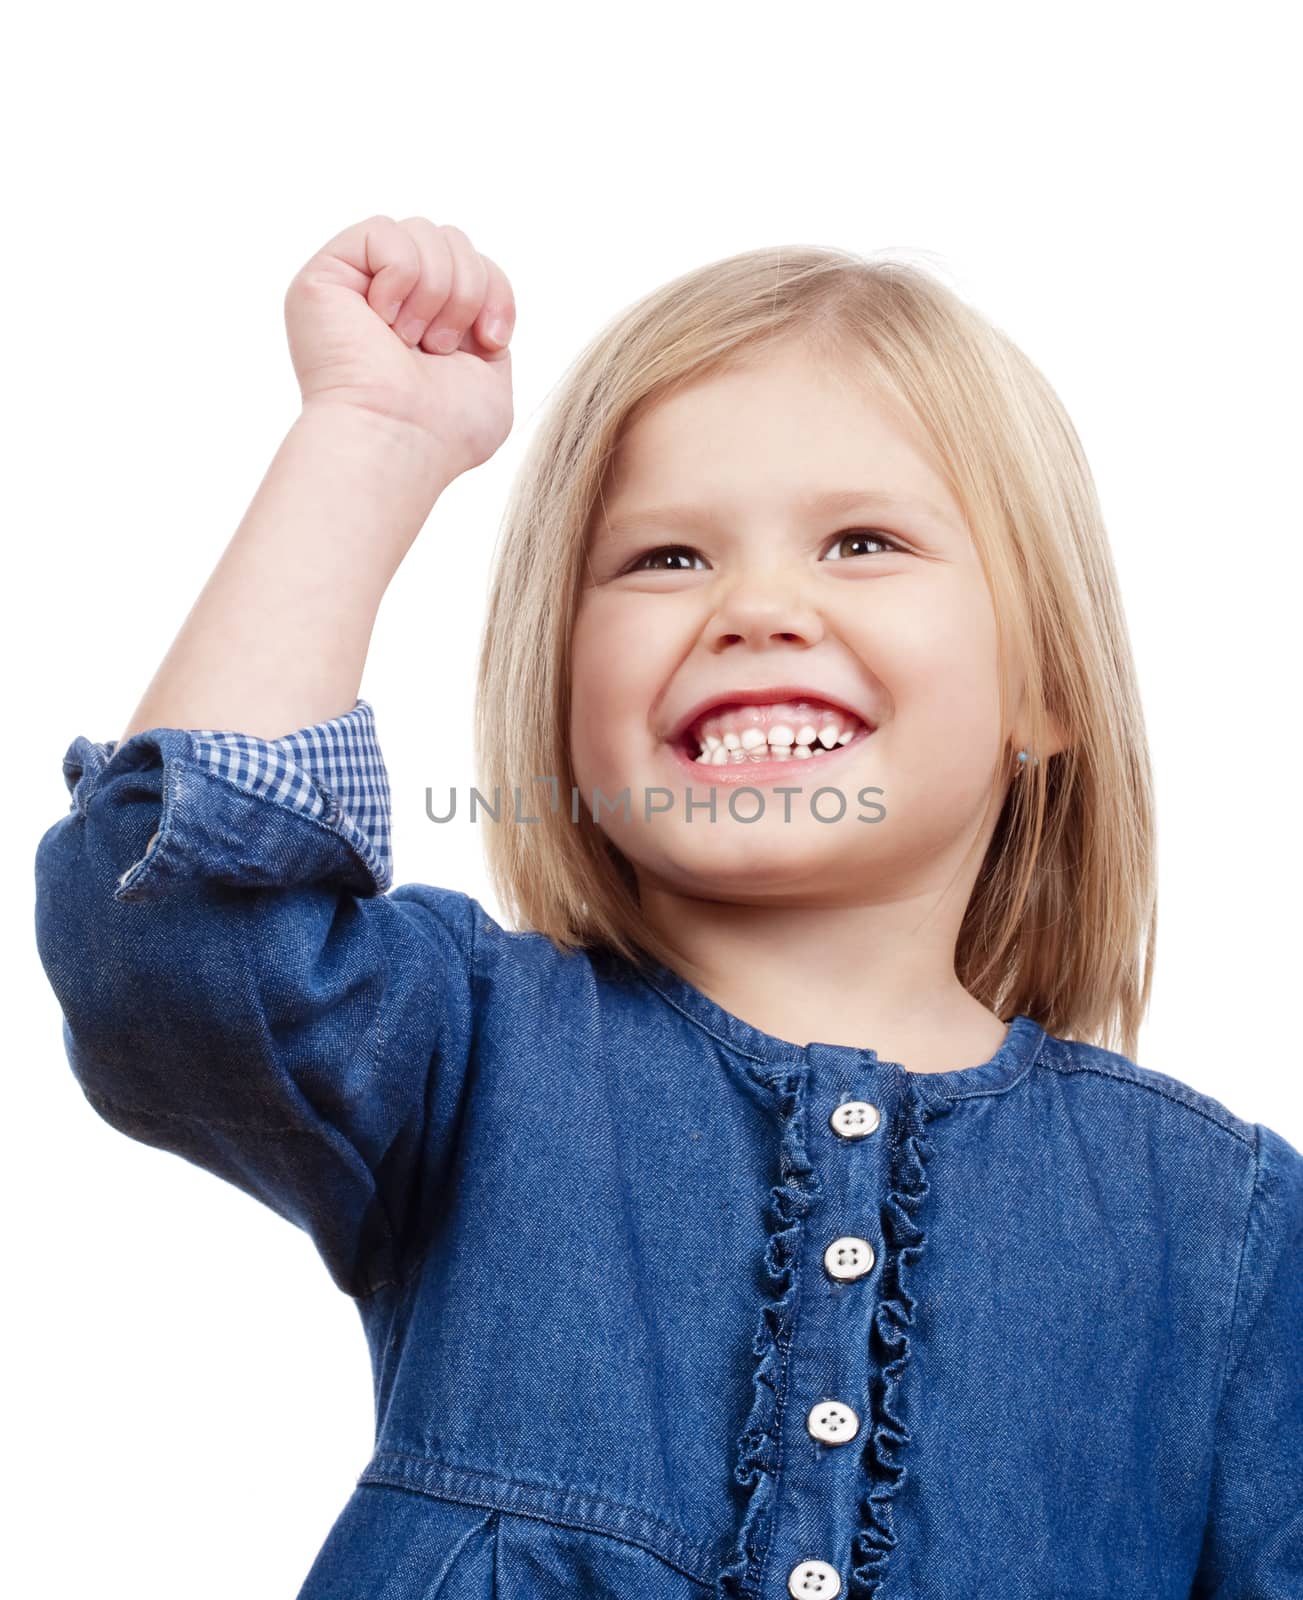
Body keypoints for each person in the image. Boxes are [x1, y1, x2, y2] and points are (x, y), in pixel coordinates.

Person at [34, 215, 1301, 1599]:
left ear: (1047, 689)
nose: (759, 606)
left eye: (863, 541)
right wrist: (370, 441)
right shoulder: (471, 1052)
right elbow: (168, 942)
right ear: (562, 691)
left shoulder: (1225, 1232)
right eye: (668, 561)